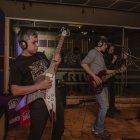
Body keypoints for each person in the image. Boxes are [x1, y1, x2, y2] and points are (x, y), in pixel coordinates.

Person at [9, 29, 64, 140]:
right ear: (23, 44)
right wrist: (39, 86)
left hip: (54, 95)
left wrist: (57, 64)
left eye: (37, 41)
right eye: (34, 42)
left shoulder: (40, 56)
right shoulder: (17, 64)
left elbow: (51, 73)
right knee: (36, 134)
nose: (37, 45)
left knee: (59, 128)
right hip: (38, 103)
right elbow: (14, 90)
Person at [81, 36, 125, 139]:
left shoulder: (100, 55)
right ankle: (98, 130)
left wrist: (118, 70)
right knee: (104, 106)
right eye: (105, 45)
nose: (106, 47)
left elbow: (105, 71)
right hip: (96, 83)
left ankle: (96, 127)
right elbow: (83, 63)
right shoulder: (93, 52)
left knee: (104, 106)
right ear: (100, 43)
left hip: (103, 84)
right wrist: (94, 76)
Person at [104, 44, 128, 117]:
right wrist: (113, 60)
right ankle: (107, 110)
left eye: (113, 49)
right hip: (106, 79)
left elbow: (119, 65)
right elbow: (107, 68)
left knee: (112, 94)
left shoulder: (112, 56)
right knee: (107, 95)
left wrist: (124, 58)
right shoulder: (104, 57)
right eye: (111, 49)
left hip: (112, 78)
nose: (112, 50)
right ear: (107, 49)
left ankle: (112, 108)